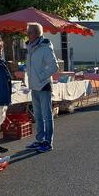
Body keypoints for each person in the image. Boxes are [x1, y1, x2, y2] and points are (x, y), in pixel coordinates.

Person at [25, 22, 59, 152]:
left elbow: (54, 66)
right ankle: (40, 140)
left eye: (29, 32)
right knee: (38, 116)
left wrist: (40, 77)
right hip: (34, 86)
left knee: (46, 116)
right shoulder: (31, 48)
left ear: (37, 33)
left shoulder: (45, 48)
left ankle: (48, 142)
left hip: (43, 86)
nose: (27, 34)